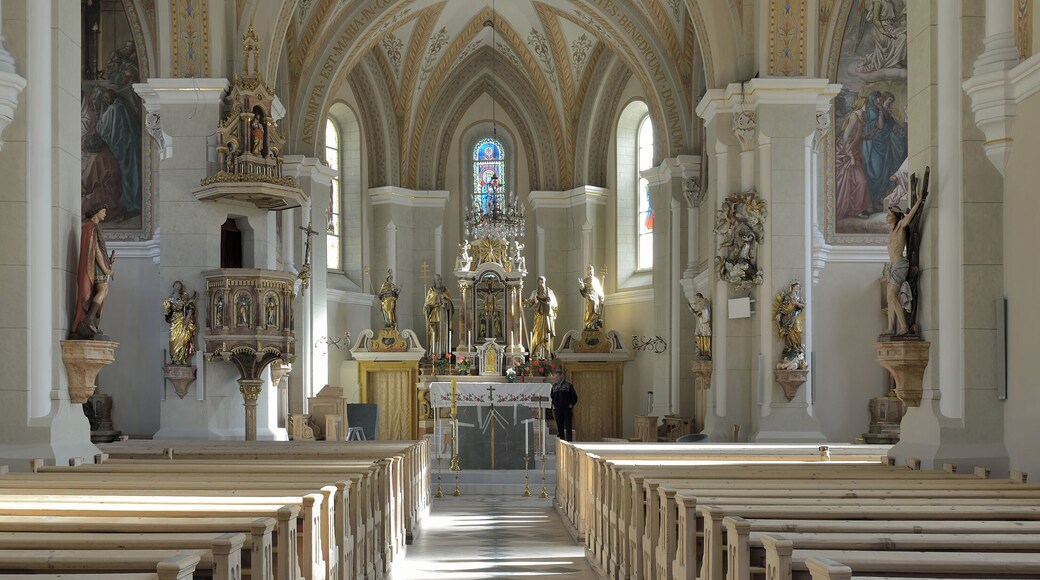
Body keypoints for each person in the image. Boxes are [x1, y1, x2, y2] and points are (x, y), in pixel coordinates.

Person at [886, 185, 928, 335]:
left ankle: (903, 326)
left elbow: (909, 217)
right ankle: (891, 328)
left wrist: (919, 200)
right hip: (892, 266)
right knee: (889, 297)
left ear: (895, 216)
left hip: (900, 265)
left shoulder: (900, 226)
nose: (887, 217)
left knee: (892, 295)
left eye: (889, 214)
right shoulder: (890, 232)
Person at [71, 206, 115, 339]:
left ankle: (93, 322)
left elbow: (99, 250)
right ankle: (88, 318)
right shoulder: (91, 227)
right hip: (95, 266)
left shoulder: (93, 227)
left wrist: (109, 261)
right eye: (103, 212)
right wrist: (105, 269)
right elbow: (95, 250)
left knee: (101, 292)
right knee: (103, 289)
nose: (105, 214)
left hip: (98, 264)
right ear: (96, 212)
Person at [773, 280, 807, 369]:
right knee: (788, 332)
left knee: (798, 331)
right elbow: (782, 306)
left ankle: (797, 347)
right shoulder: (788, 296)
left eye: (799, 287)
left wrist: (798, 304)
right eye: (796, 287)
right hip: (787, 317)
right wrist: (779, 314)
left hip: (795, 316)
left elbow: (802, 306)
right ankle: (791, 347)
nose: (797, 288)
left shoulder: (799, 298)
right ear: (792, 287)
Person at [162, 281, 197, 365]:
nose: (177, 287)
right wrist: (166, 312)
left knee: (183, 339)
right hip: (174, 320)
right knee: (173, 339)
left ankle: (181, 359)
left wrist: (188, 317)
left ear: (180, 288)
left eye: (179, 286)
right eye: (176, 285)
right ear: (173, 286)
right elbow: (166, 311)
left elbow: (190, 307)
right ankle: (174, 358)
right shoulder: (169, 299)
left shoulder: (184, 298)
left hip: (182, 320)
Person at [524, 276, 558, 359]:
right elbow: (529, 303)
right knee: (537, 334)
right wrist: (522, 301)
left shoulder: (550, 292)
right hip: (538, 317)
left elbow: (555, 305)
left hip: (547, 317)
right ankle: (537, 352)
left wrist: (548, 304)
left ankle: (547, 353)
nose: (541, 284)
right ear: (538, 283)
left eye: (543, 282)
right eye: (540, 282)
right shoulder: (535, 293)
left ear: (545, 282)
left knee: (547, 334)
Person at [424, 274, 454, 356]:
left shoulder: (446, 291)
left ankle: (444, 352)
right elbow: (427, 304)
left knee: (443, 334)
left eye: (440, 279)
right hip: (434, 316)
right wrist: (428, 308)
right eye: (438, 280)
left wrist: (446, 302)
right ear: (434, 281)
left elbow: (450, 305)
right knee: (434, 333)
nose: (440, 281)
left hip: (443, 316)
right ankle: (433, 353)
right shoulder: (431, 291)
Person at [550, 368, 578, 442]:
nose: (555, 379)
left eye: (557, 377)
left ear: (561, 376)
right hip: (558, 408)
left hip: (566, 408)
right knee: (560, 427)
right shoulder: (554, 386)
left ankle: (569, 442)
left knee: (568, 426)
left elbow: (574, 396)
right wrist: (553, 405)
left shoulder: (568, 385)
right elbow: (552, 396)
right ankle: (561, 443)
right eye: (554, 377)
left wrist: (571, 404)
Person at [577, 265, 605, 331]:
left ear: (593, 272)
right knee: (590, 311)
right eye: (589, 273)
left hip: (596, 297)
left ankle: (594, 324)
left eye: (591, 272)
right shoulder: (585, 280)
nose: (590, 274)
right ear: (587, 272)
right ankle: (588, 324)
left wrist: (601, 296)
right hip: (590, 297)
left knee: (596, 311)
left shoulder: (596, 280)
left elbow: (599, 290)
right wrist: (581, 286)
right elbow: (583, 290)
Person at [689, 293, 712, 359]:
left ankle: (705, 352)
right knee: (698, 336)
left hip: (704, 323)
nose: (696, 300)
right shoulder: (700, 303)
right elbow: (698, 312)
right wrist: (693, 310)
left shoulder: (705, 302)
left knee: (704, 336)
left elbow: (706, 311)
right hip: (700, 322)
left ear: (699, 297)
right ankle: (700, 352)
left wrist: (699, 312)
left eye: (696, 298)